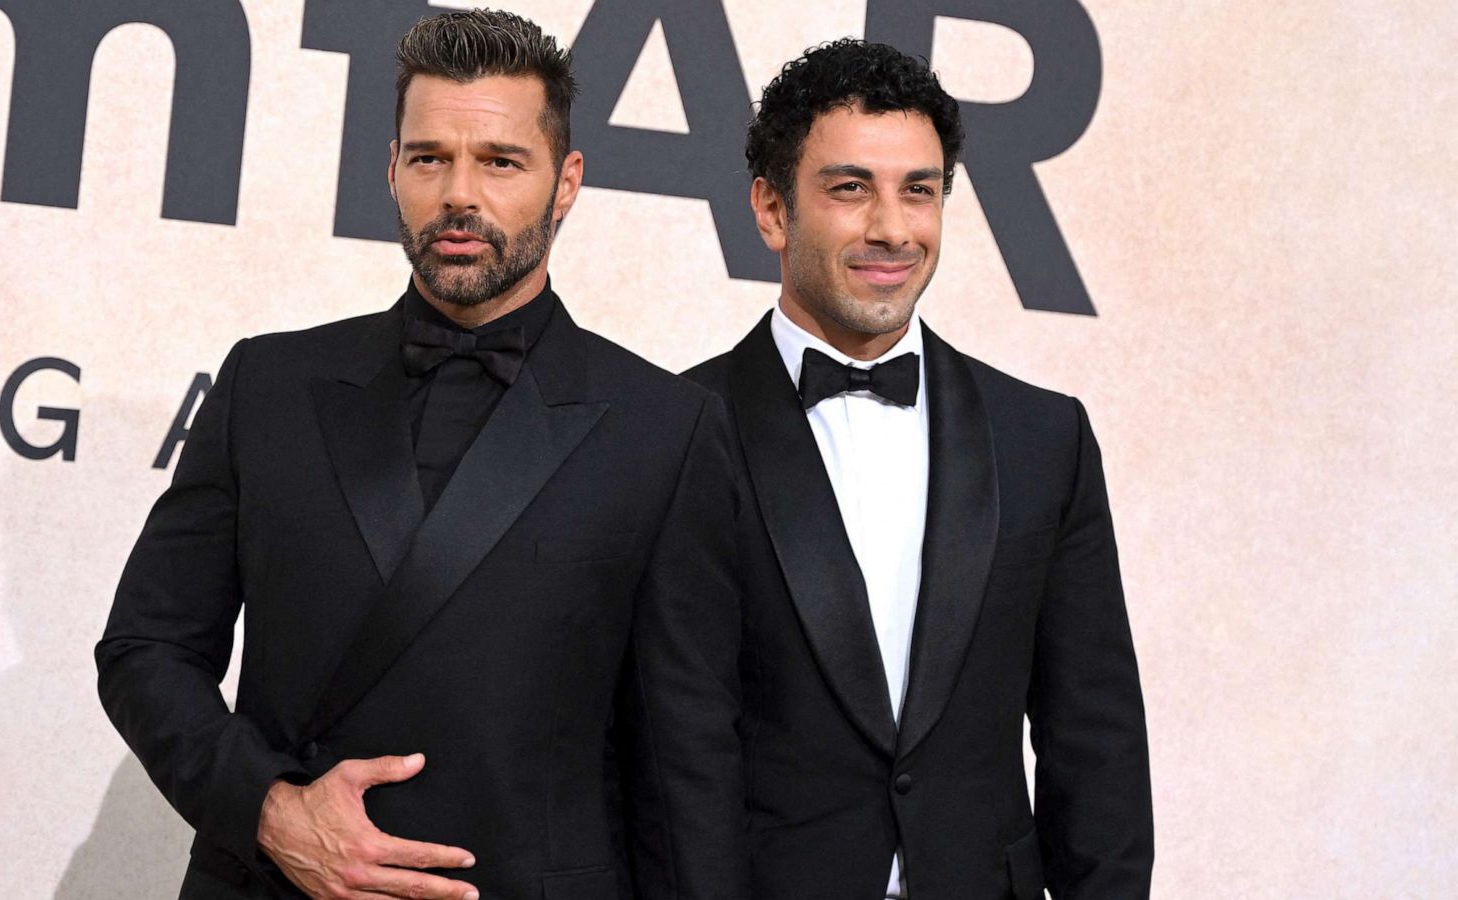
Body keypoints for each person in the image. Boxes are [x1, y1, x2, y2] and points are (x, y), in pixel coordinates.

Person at [97, 11, 745, 900]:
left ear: (567, 184)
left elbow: (687, 764)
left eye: (501, 162)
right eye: (430, 157)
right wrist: (270, 812)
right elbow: (145, 651)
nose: (458, 195)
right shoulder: (270, 385)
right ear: (390, 169)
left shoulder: (664, 429)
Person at [685, 39, 1153, 899]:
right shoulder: (673, 434)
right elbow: (655, 751)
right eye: (850, 187)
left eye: (920, 191)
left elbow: (1097, 743)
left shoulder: (1044, 438)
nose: (893, 228)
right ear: (771, 209)